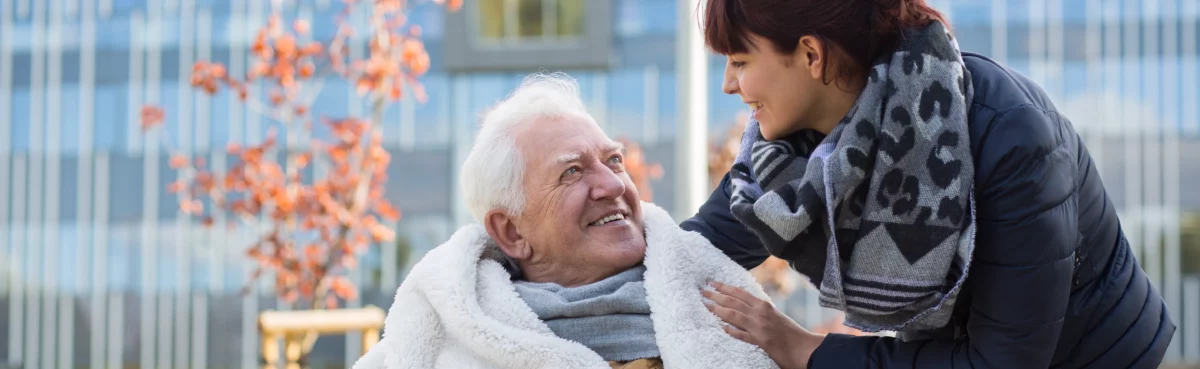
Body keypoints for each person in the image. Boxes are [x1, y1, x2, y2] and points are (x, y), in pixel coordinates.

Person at [682, 0, 1176, 368]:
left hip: (1089, 357)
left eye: (741, 62)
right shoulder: (789, 148)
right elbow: (691, 248)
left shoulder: (1011, 138)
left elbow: (1002, 363)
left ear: (811, 55)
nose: (729, 84)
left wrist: (803, 349)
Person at [353, 73, 780, 369]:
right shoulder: (440, 345)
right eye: (572, 172)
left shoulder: (723, 308)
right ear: (512, 232)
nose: (612, 185)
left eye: (614, 160)